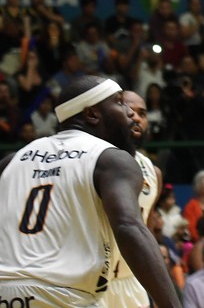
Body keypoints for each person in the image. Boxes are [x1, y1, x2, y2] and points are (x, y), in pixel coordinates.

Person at [0, 75, 180, 307]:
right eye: (119, 102)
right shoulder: (110, 159)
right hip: (64, 296)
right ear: (92, 114)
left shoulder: (12, 160)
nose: (129, 113)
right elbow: (128, 227)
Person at [101, 91, 164, 308]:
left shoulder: (152, 171)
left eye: (142, 113)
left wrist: (156, 287)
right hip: (93, 282)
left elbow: (146, 231)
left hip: (132, 282)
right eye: (129, 110)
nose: (136, 117)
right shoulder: (93, 160)